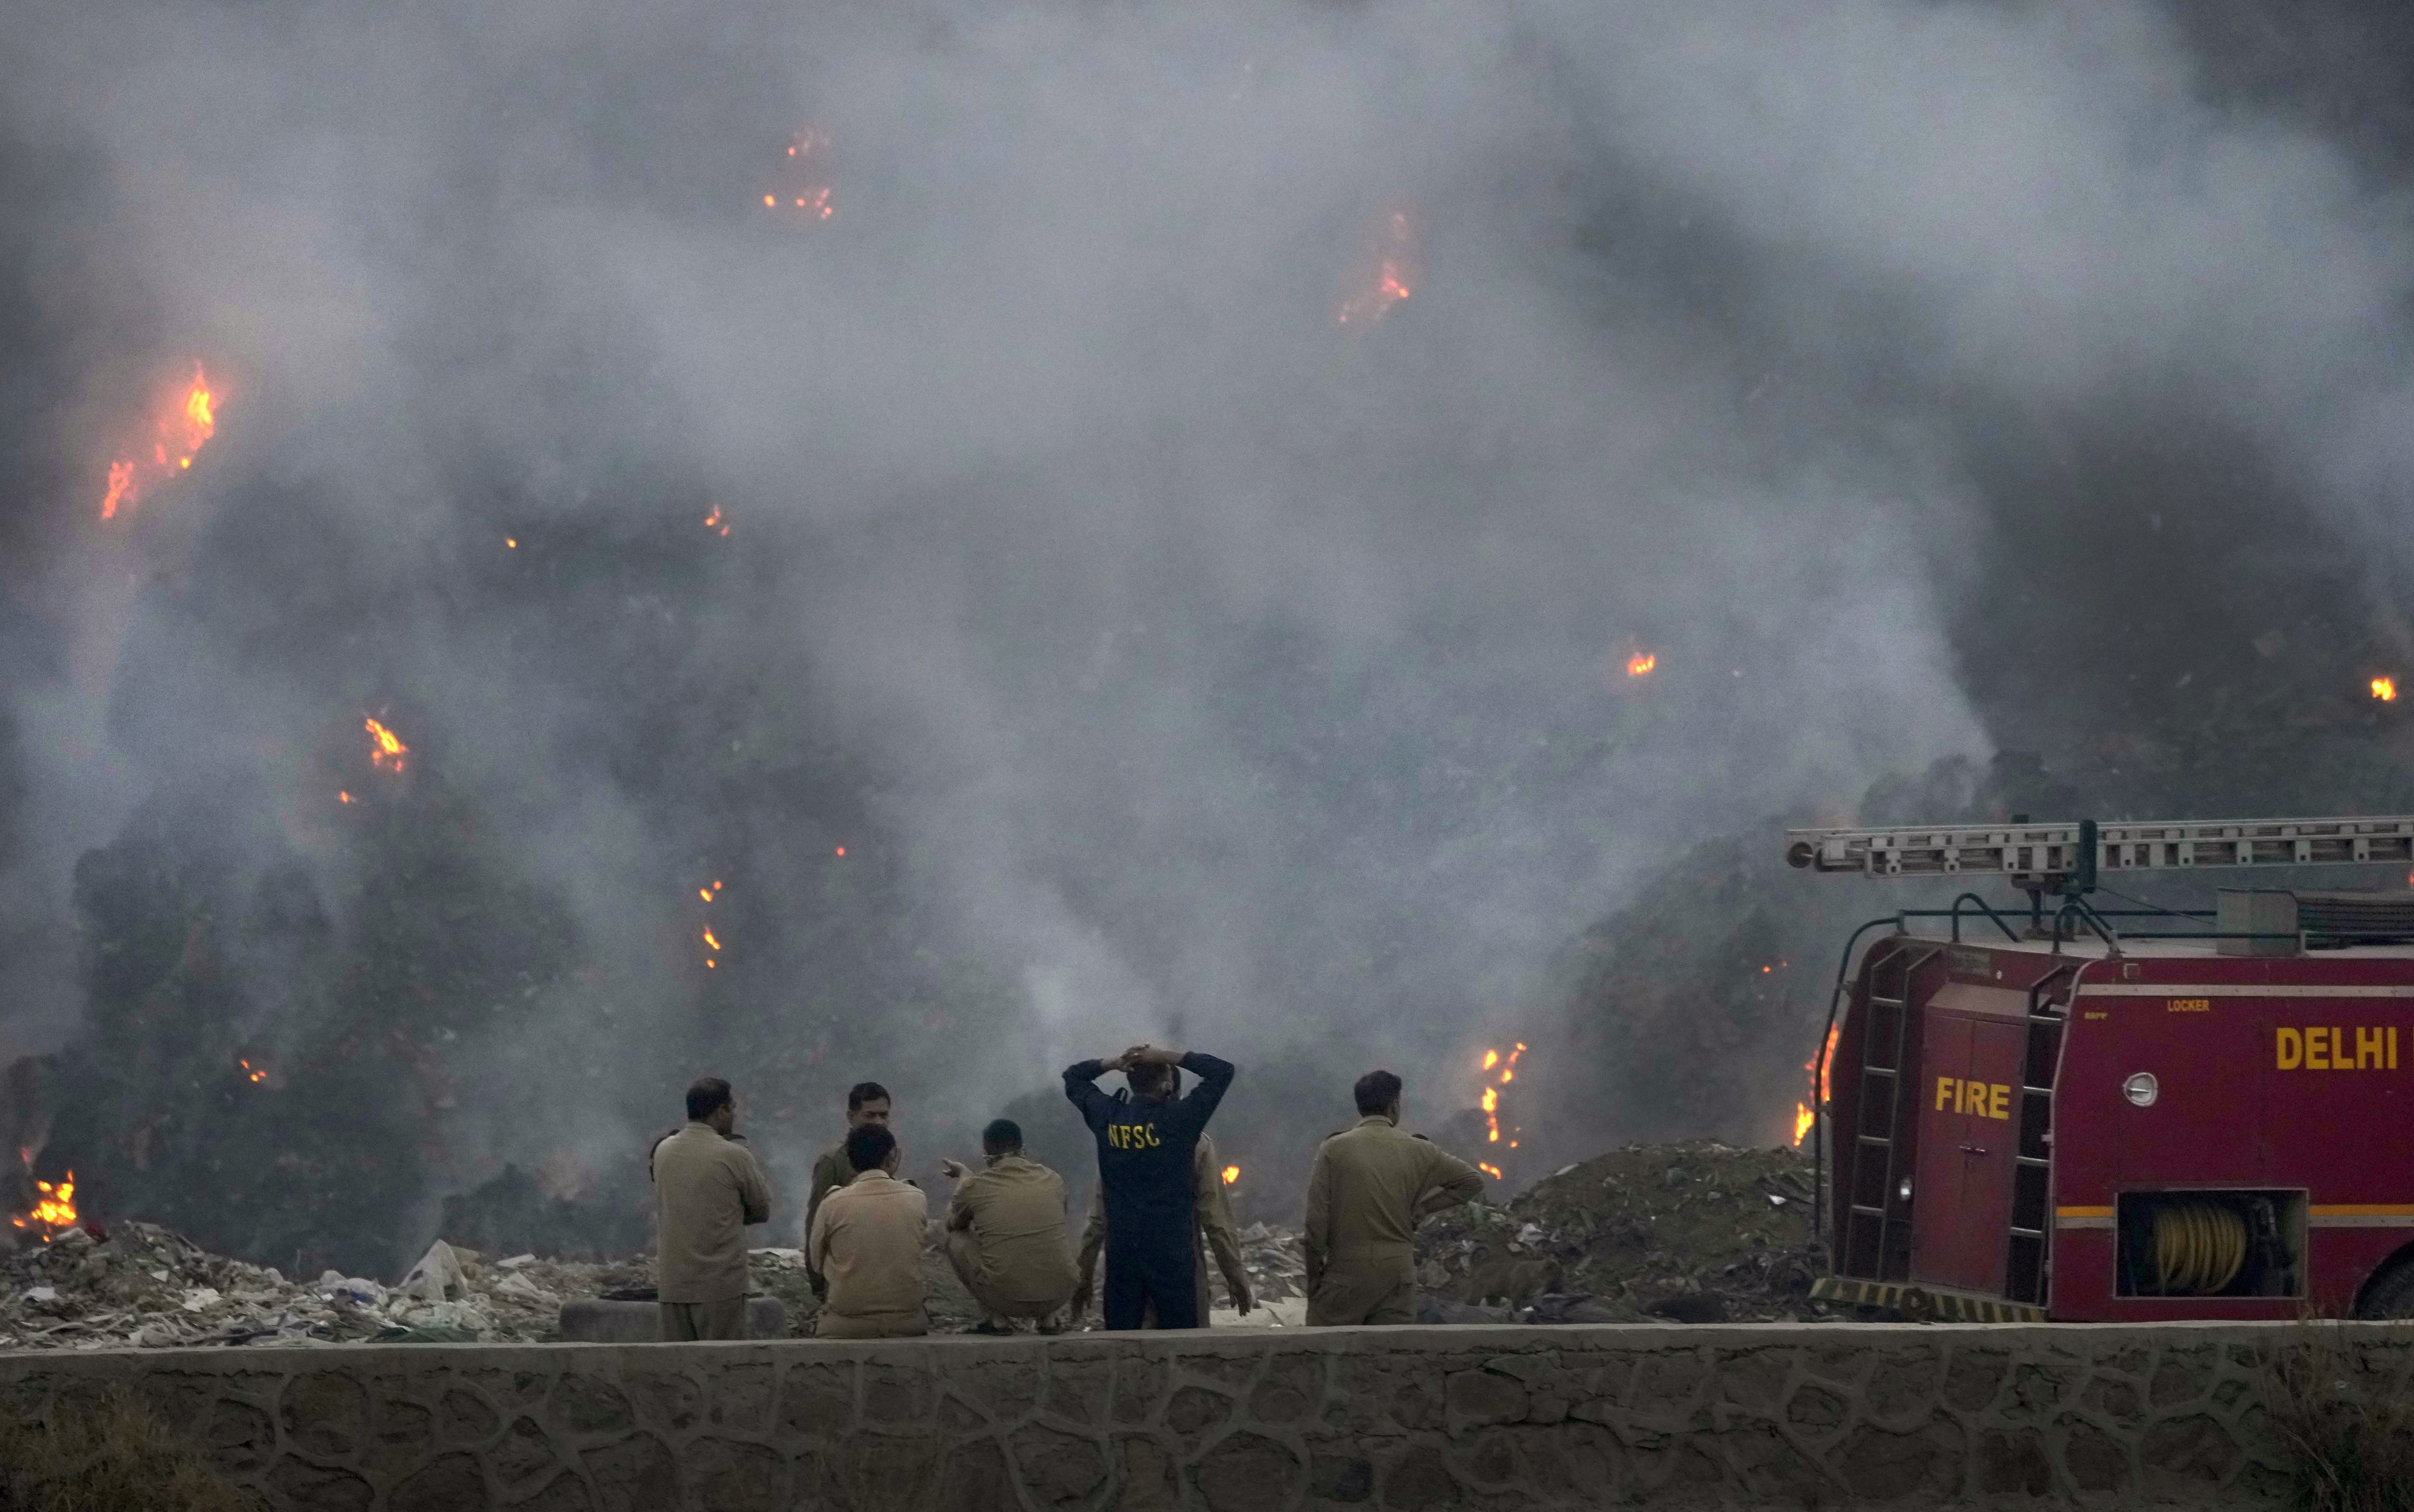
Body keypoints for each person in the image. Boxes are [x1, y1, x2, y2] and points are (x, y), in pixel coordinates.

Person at [1062, 1042, 1235, 1330]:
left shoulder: (1109, 1118)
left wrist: (1114, 1062)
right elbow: (1222, 1071)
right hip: (1173, 1256)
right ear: (1168, 1084)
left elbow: (1073, 1077)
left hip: (1123, 1255)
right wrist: (1166, 1055)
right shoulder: (1180, 1121)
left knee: (1122, 1345)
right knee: (1180, 1348)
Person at [1304, 1068, 1483, 1326]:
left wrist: (1313, 1281)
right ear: (1394, 1106)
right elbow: (1472, 1181)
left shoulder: (1334, 1149)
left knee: (1325, 1355)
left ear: (1361, 1107)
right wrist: (1424, 1208)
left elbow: (1315, 1224)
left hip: (1345, 1273)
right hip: (1398, 1276)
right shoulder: (1421, 1150)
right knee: (1390, 1356)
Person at [1070, 1131, 1253, 1326]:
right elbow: (1216, 1220)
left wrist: (1083, 1277)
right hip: (1180, 1276)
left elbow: (1099, 1219)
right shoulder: (1195, 1141)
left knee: (1129, 1350)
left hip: (1126, 1278)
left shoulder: (1116, 1140)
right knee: (1185, 1349)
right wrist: (1235, 1274)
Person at [649, 1076, 774, 1341]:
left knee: (677, 1371)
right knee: (724, 1371)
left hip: (675, 1285)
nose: (736, 1114)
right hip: (721, 1288)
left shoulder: (663, 1151)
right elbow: (762, 1209)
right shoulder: (734, 1154)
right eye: (733, 1108)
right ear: (721, 1111)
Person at [940, 1119, 1079, 1333]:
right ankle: (1048, 1320)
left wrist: (965, 1179)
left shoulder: (977, 1185)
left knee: (956, 1239)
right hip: (1062, 1294)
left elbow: (952, 1224)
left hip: (1006, 1299)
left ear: (987, 1157)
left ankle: (997, 1320)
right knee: (1043, 1232)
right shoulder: (1053, 1179)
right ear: (1023, 1150)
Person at [808, 1124, 928, 1338]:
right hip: (909, 1323)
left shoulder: (833, 1202)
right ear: (892, 1155)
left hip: (846, 1324)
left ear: (851, 1160)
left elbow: (817, 1264)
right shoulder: (917, 1198)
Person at [802, 1081, 893, 1298]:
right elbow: (816, 1223)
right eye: (870, 1115)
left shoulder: (889, 1155)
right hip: (847, 1270)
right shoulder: (833, 1161)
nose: (879, 1122)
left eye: (884, 1115)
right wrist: (819, 1285)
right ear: (851, 1117)